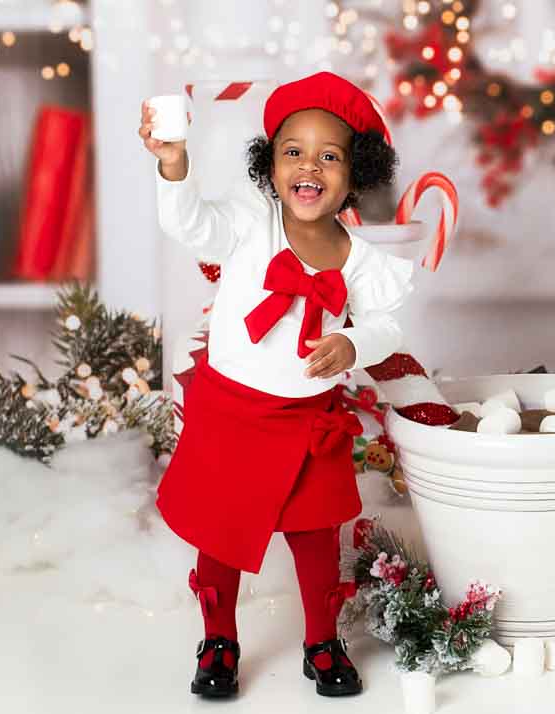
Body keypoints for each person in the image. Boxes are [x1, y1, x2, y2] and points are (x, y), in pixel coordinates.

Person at [138, 71, 412, 699]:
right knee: (221, 538)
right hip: (232, 415)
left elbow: (386, 326)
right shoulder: (248, 222)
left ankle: (322, 639)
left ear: (354, 173)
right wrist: (175, 164)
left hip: (308, 423)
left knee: (317, 541)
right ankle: (218, 640)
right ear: (270, 163)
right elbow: (190, 224)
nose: (308, 165)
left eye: (328, 154)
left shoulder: (360, 259)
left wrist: (352, 343)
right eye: (293, 150)